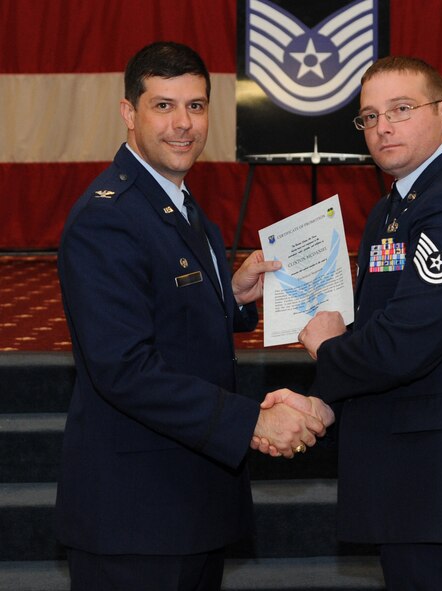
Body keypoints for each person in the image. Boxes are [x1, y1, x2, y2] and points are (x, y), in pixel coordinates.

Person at [56, 41, 333, 590]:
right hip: (135, 516)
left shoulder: (179, 204)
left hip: (188, 505)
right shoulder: (107, 219)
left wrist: (230, 294)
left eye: (196, 106)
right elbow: (125, 368)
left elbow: (160, 308)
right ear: (128, 113)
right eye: (163, 106)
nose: (183, 124)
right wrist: (251, 420)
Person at [257, 56, 442, 590]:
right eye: (369, 117)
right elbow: (380, 328)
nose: (382, 127)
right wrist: (322, 405)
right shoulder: (398, 206)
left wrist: (328, 349)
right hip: (414, 479)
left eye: (401, 110)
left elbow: (405, 343)